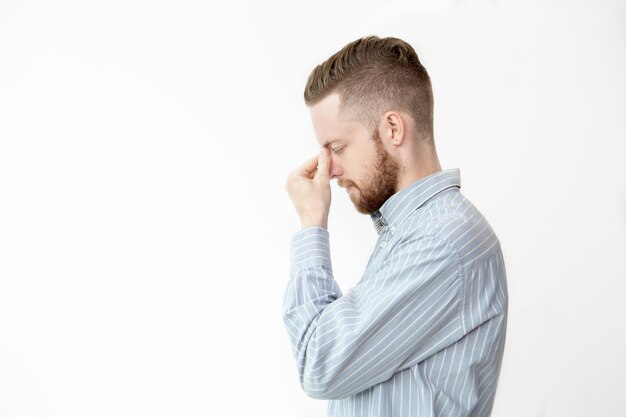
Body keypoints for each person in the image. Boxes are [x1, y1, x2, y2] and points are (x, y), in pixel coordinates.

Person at [283, 35, 508, 417]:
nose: (330, 171)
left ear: (392, 128)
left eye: (336, 148)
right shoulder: (412, 235)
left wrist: (311, 225)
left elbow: (319, 363)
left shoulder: (442, 241)